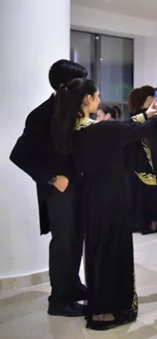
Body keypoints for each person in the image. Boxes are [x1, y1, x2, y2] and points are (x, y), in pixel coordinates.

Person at [51, 78, 157, 330]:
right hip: (111, 197)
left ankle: (99, 307)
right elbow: (134, 130)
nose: (99, 100)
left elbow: (124, 127)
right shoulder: (99, 130)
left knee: (97, 250)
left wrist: (144, 114)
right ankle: (108, 312)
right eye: (96, 96)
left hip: (91, 196)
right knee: (112, 251)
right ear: (87, 100)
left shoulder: (73, 131)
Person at [9, 60, 88, 318]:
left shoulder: (72, 112)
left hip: (77, 188)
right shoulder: (42, 114)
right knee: (63, 242)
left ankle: (73, 286)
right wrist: (53, 178)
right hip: (58, 191)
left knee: (76, 238)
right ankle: (59, 300)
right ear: (65, 86)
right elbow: (19, 154)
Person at [127, 86, 157, 234]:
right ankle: (151, 223)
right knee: (150, 193)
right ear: (150, 99)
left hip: (138, 162)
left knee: (139, 193)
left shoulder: (134, 117)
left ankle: (138, 221)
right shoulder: (149, 118)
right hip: (149, 160)